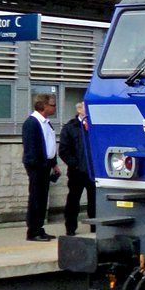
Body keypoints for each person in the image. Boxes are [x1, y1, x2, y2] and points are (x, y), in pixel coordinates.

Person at [22, 94, 60, 241]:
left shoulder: (46, 123)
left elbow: (49, 143)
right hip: (37, 167)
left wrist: (54, 163)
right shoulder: (32, 123)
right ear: (43, 106)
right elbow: (30, 148)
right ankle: (33, 230)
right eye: (52, 105)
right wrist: (38, 166)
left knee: (43, 198)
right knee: (36, 198)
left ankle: (39, 227)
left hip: (46, 165)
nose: (54, 107)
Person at [59, 101, 95, 236]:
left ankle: (95, 226)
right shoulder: (70, 127)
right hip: (77, 171)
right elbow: (63, 150)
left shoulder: (94, 126)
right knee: (73, 200)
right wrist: (74, 164)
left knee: (94, 201)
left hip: (92, 171)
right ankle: (70, 227)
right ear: (79, 110)